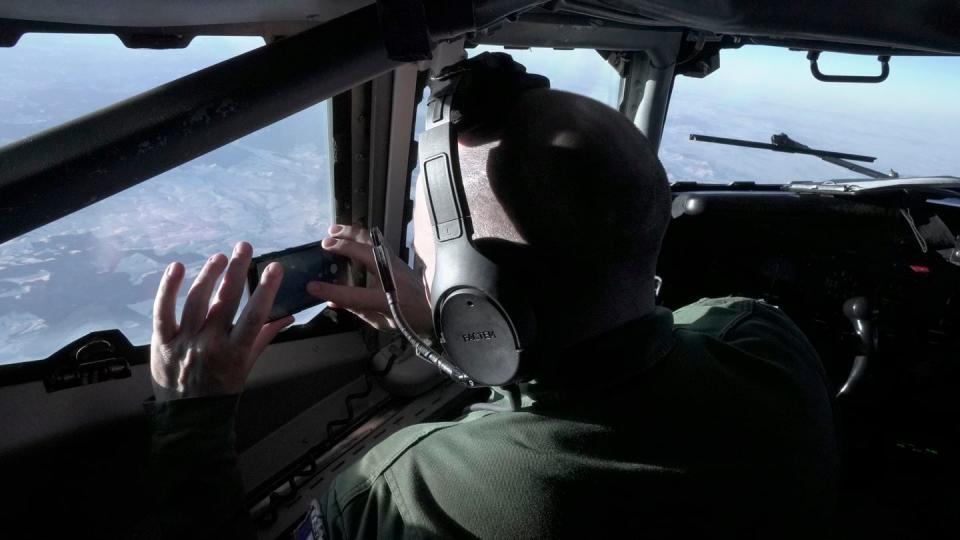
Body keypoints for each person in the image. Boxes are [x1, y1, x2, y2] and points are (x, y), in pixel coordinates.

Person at [143, 78, 838, 538]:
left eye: (421, 245)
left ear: (475, 295)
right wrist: (448, 335)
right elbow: (602, 362)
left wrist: (193, 416)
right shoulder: (765, 343)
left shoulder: (405, 494)